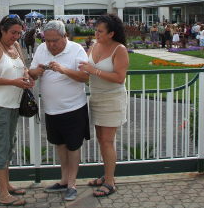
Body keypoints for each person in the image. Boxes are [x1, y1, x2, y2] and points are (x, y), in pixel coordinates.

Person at [28, 20, 89, 202]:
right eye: (48, 40)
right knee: (60, 145)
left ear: (65, 37)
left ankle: (72, 184)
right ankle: (63, 180)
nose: (51, 44)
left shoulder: (76, 49)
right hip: (51, 110)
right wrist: (36, 72)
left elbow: (85, 77)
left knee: (73, 146)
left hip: (73, 108)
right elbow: (31, 72)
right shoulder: (41, 50)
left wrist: (64, 70)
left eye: (55, 40)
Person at [0, 15, 32, 207]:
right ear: (3, 30)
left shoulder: (16, 47)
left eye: (19, 33)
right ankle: (3, 193)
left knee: (9, 144)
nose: (16, 36)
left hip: (13, 104)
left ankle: (6, 185)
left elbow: (23, 68)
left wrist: (26, 77)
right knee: (0, 146)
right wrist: (13, 82)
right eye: (13, 33)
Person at [78, 14, 129, 198]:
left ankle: (110, 182)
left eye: (100, 31)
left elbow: (119, 77)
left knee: (107, 140)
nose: (96, 34)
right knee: (101, 138)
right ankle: (106, 175)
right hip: (96, 97)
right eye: (96, 30)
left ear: (111, 33)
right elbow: (86, 66)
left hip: (112, 98)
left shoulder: (119, 49)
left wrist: (94, 71)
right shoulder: (94, 45)